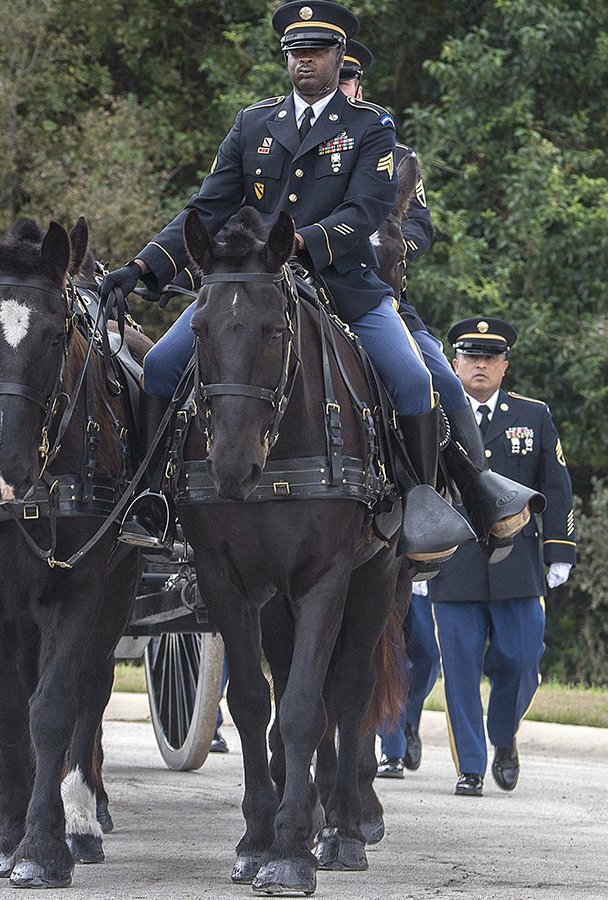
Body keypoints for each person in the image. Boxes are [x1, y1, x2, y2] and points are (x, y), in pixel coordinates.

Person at [100, 2, 538, 568]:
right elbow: (206, 207)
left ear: (338, 59)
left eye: (316, 53)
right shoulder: (253, 124)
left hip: (344, 285)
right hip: (254, 283)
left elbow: (368, 208)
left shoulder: (370, 126)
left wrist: (304, 242)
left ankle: (421, 500)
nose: (304, 63)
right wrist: (141, 269)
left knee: (410, 380)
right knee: (159, 366)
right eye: (295, 53)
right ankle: (154, 496)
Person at [336, 39, 443, 778]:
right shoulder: (276, 134)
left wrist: (390, 235)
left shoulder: (394, 151)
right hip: (292, 289)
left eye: (349, 75)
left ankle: (431, 497)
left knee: (431, 377)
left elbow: (423, 226)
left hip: (377, 289)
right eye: (328, 72)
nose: (341, 85)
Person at [430, 317, 576, 797]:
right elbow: (420, 485)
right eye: (471, 357)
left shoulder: (532, 416)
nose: (480, 365)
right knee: (461, 671)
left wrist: (560, 549)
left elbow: (555, 485)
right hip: (454, 560)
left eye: (489, 358)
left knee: (521, 661)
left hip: (518, 563)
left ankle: (504, 736)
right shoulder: (435, 416)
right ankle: (470, 766)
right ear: (455, 363)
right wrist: (415, 552)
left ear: (504, 366)